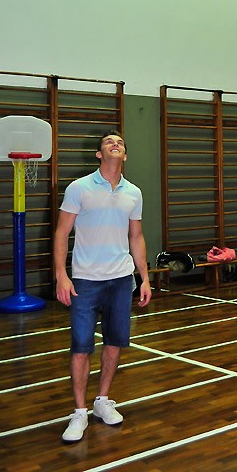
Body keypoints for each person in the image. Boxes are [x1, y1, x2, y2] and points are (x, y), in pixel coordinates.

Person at [54, 130, 152, 443]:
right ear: (99, 155)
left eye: (120, 142)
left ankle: (102, 401)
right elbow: (61, 233)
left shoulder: (133, 193)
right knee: (82, 346)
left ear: (124, 156)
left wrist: (144, 277)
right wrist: (61, 275)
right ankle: (79, 411)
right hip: (84, 280)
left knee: (114, 342)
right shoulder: (78, 188)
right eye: (108, 142)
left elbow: (136, 237)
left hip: (122, 279)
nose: (115, 144)